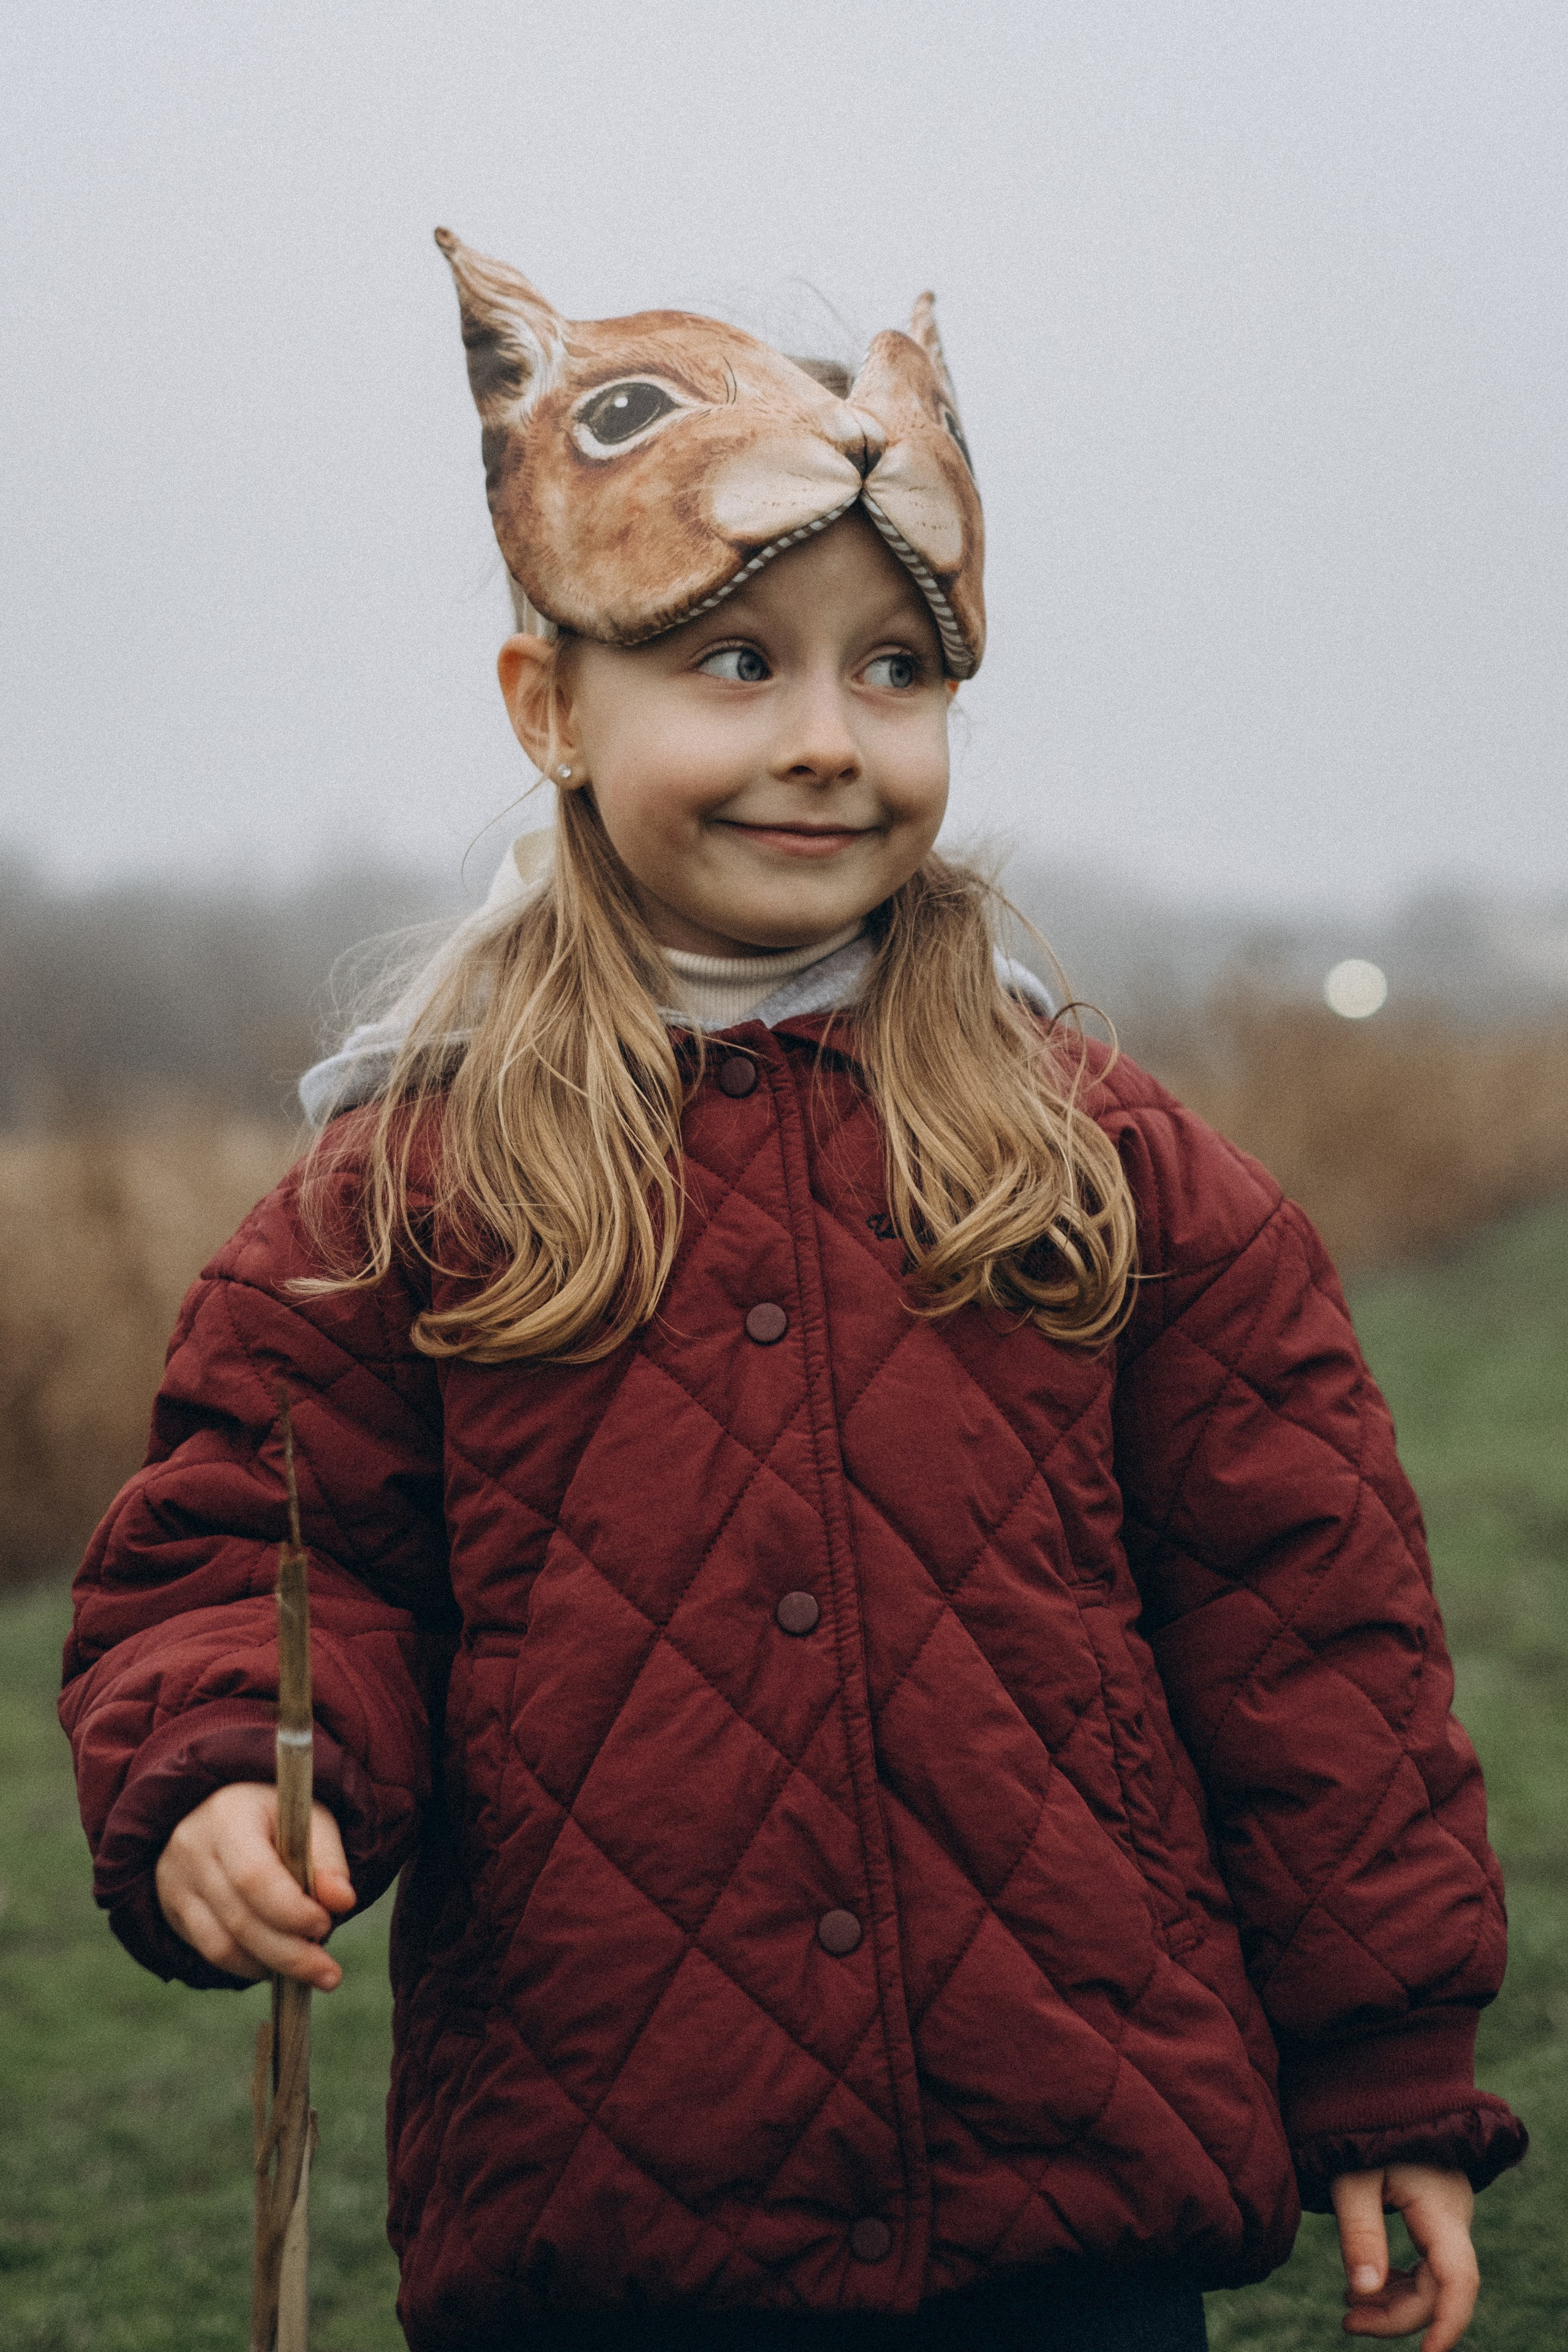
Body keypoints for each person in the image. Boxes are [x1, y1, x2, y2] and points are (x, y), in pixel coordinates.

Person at [61, 232, 1525, 2352]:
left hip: (1072, 2201)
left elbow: (1309, 1624)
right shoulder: (411, 1184)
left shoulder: (1093, 1158)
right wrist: (228, 1768)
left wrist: (1387, 2062)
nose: (830, 740)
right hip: (614, 2217)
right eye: (735, 662)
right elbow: (249, 1553)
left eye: (896, 669)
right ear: (552, 706)